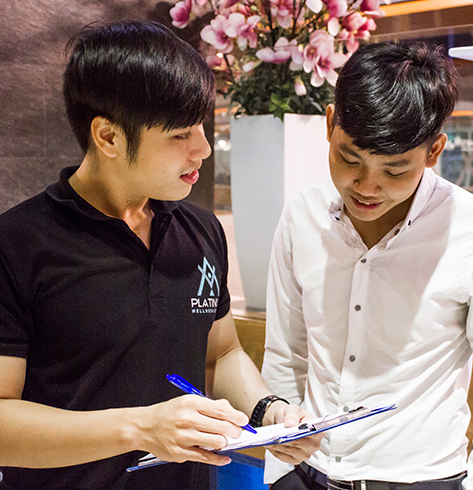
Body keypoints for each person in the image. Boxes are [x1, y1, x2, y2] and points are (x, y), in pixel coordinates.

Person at [0, 20, 322, 490]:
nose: (203, 149)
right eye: (179, 135)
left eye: (201, 126)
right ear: (108, 137)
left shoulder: (201, 229)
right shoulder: (17, 244)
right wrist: (140, 428)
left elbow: (220, 354)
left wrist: (268, 412)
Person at [262, 40, 473, 490]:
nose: (367, 186)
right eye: (349, 159)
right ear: (330, 123)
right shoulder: (302, 214)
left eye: (395, 170)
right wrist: (280, 470)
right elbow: (286, 353)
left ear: (434, 151)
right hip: (305, 474)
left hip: (420, 480)